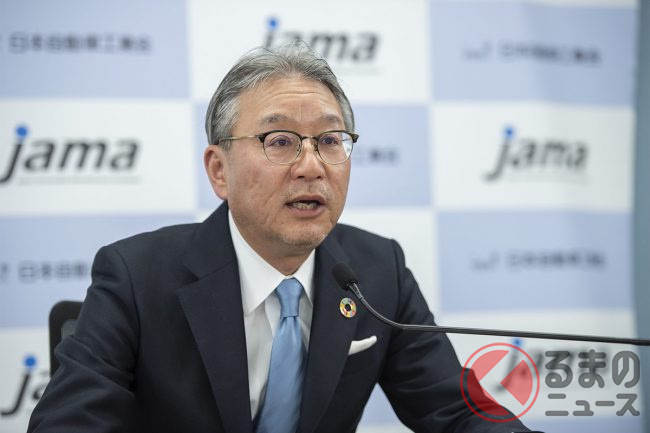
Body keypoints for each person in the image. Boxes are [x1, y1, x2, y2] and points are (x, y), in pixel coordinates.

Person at [27, 43, 534, 433]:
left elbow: (457, 411)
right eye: (280, 141)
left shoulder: (378, 271)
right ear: (219, 170)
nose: (311, 166)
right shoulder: (136, 277)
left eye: (330, 140)